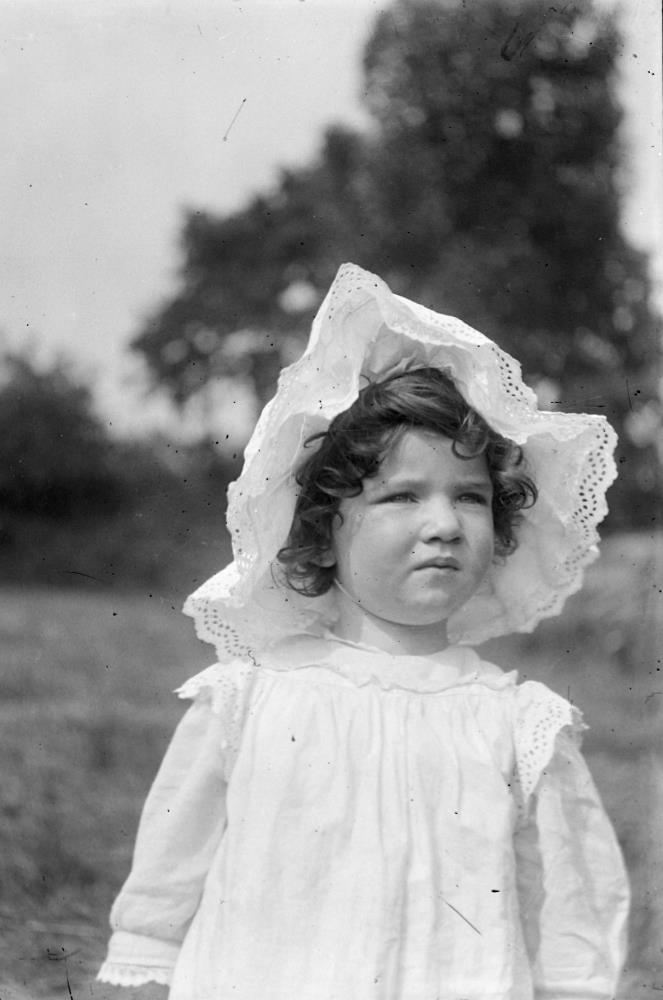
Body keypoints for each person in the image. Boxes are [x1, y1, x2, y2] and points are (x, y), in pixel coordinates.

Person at [97, 264, 629, 999]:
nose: (443, 525)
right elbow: (161, 897)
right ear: (320, 532)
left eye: (470, 498)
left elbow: (570, 931)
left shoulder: (518, 725)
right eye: (402, 496)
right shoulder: (250, 701)